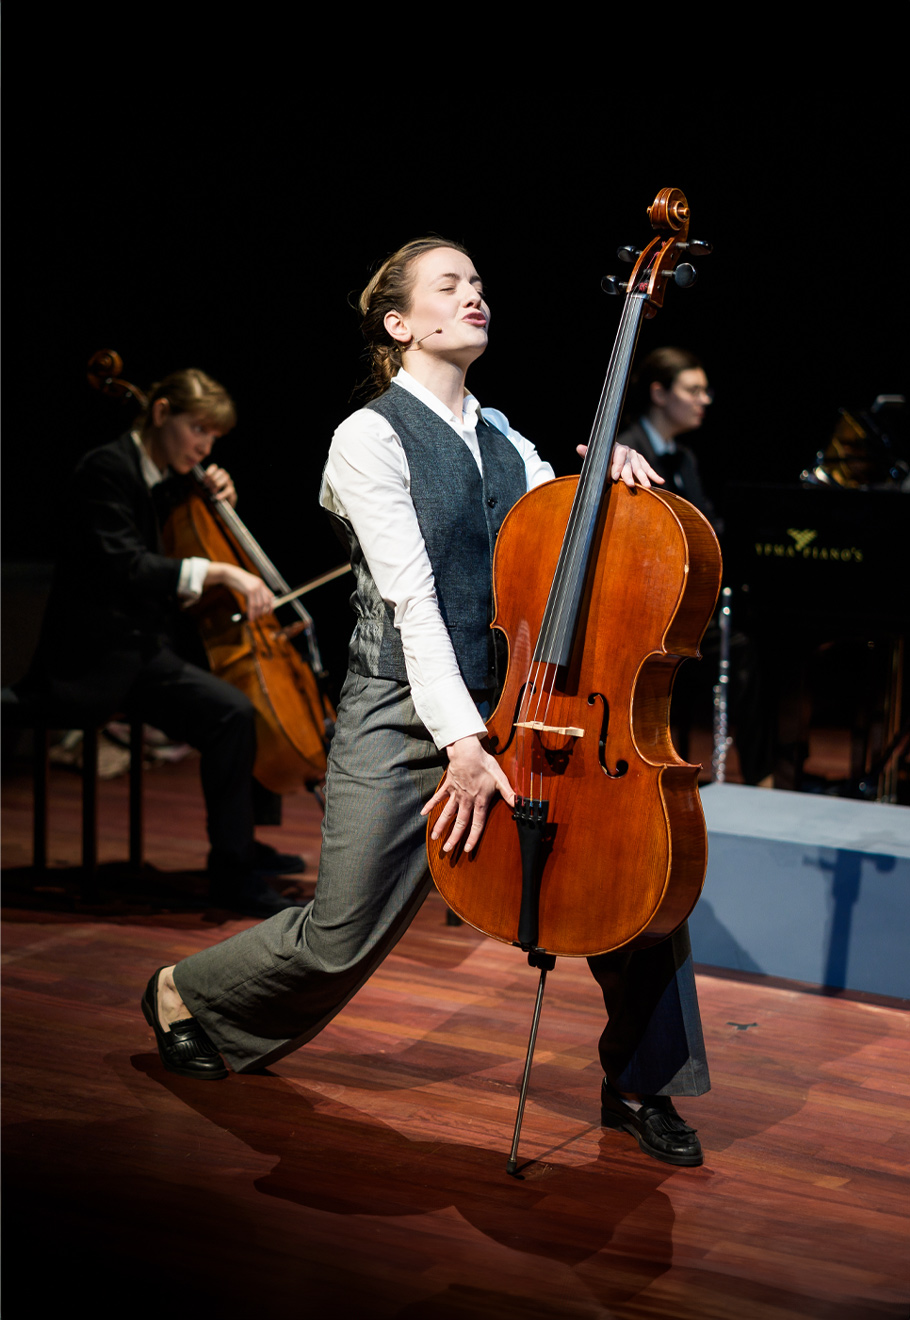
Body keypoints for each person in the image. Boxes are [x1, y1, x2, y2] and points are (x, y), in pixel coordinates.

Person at [142, 240, 710, 1168]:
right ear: (400, 323)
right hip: (402, 711)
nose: (474, 294)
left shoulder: (506, 439)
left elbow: (564, 537)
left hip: (516, 702)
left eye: (478, 282)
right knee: (342, 932)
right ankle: (187, 994)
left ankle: (642, 1083)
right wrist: (461, 743)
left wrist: (606, 478)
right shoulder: (366, 438)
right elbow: (414, 605)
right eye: (450, 285)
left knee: (637, 879)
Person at [15, 369, 304, 915]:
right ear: (161, 412)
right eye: (198, 429)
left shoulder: (166, 478)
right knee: (232, 712)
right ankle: (233, 874)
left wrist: (218, 496)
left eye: (213, 436)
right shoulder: (105, 469)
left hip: (146, 648)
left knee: (248, 695)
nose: (205, 445)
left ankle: (241, 845)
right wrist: (222, 573)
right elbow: (126, 565)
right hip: (98, 659)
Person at [618, 346, 721, 534]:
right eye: (694, 391)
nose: (705, 400)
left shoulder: (684, 457)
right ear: (659, 394)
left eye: (705, 391)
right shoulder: (625, 453)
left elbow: (706, 524)